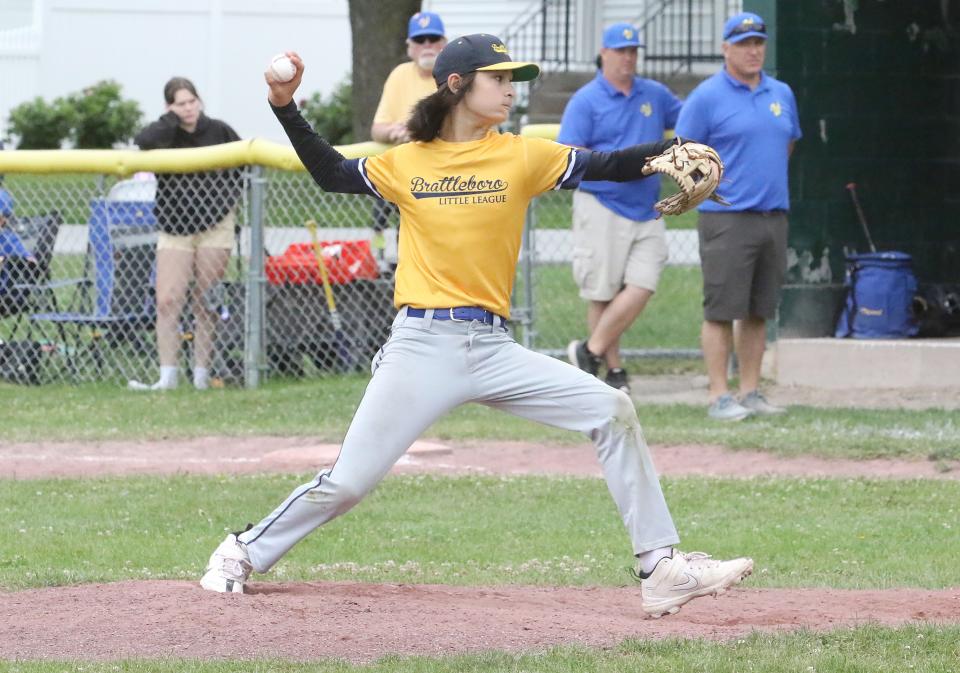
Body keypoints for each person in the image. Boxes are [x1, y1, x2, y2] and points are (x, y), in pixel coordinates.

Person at [199, 35, 752, 619]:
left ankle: (661, 569)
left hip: (492, 347)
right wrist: (284, 105)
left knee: (612, 410)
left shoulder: (520, 155)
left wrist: (668, 150)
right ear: (458, 84)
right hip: (421, 345)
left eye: (514, 79)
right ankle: (241, 549)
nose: (512, 90)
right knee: (348, 483)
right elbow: (331, 172)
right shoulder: (408, 162)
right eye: (499, 78)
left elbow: (602, 163)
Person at [675, 12, 801, 421]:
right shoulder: (707, 97)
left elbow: (787, 147)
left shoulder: (780, 92)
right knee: (721, 309)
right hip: (726, 218)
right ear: (726, 48)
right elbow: (684, 157)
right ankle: (718, 395)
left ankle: (750, 391)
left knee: (758, 310)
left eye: (758, 42)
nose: (753, 50)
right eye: (744, 43)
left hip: (772, 216)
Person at [559, 23, 682, 394]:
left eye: (633, 50)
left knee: (644, 282)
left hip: (647, 205)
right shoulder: (586, 99)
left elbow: (688, 123)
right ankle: (614, 372)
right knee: (602, 291)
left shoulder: (654, 94)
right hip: (602, 201)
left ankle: (589, 351)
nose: (629, 56)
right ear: (604, 53)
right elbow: (569, 153)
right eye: (621, 50)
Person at [128, 77, 242, 391]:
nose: (189, 108)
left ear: (199, 101)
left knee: (205, 300)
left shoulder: (219, 130)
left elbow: (243, 165)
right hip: (174, 227)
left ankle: (201, 375)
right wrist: (171, 121)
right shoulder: (165, 133)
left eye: (192, 101)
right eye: (180, 104)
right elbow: (143, 140)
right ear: (170, 107)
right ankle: (167, 376)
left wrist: (226, 200)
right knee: (167, 299)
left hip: (214, 225)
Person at [368, 12, 448, 260]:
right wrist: (394, 131)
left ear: (444, 43)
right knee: (379, 220)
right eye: (420, 40)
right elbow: (377, 128)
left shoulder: (452, 77)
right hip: (400, 169)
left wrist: (414, 131)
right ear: (410, 47)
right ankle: (380, 263)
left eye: (433, 39)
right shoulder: (399, 74)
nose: (427, 46)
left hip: (440, 173)